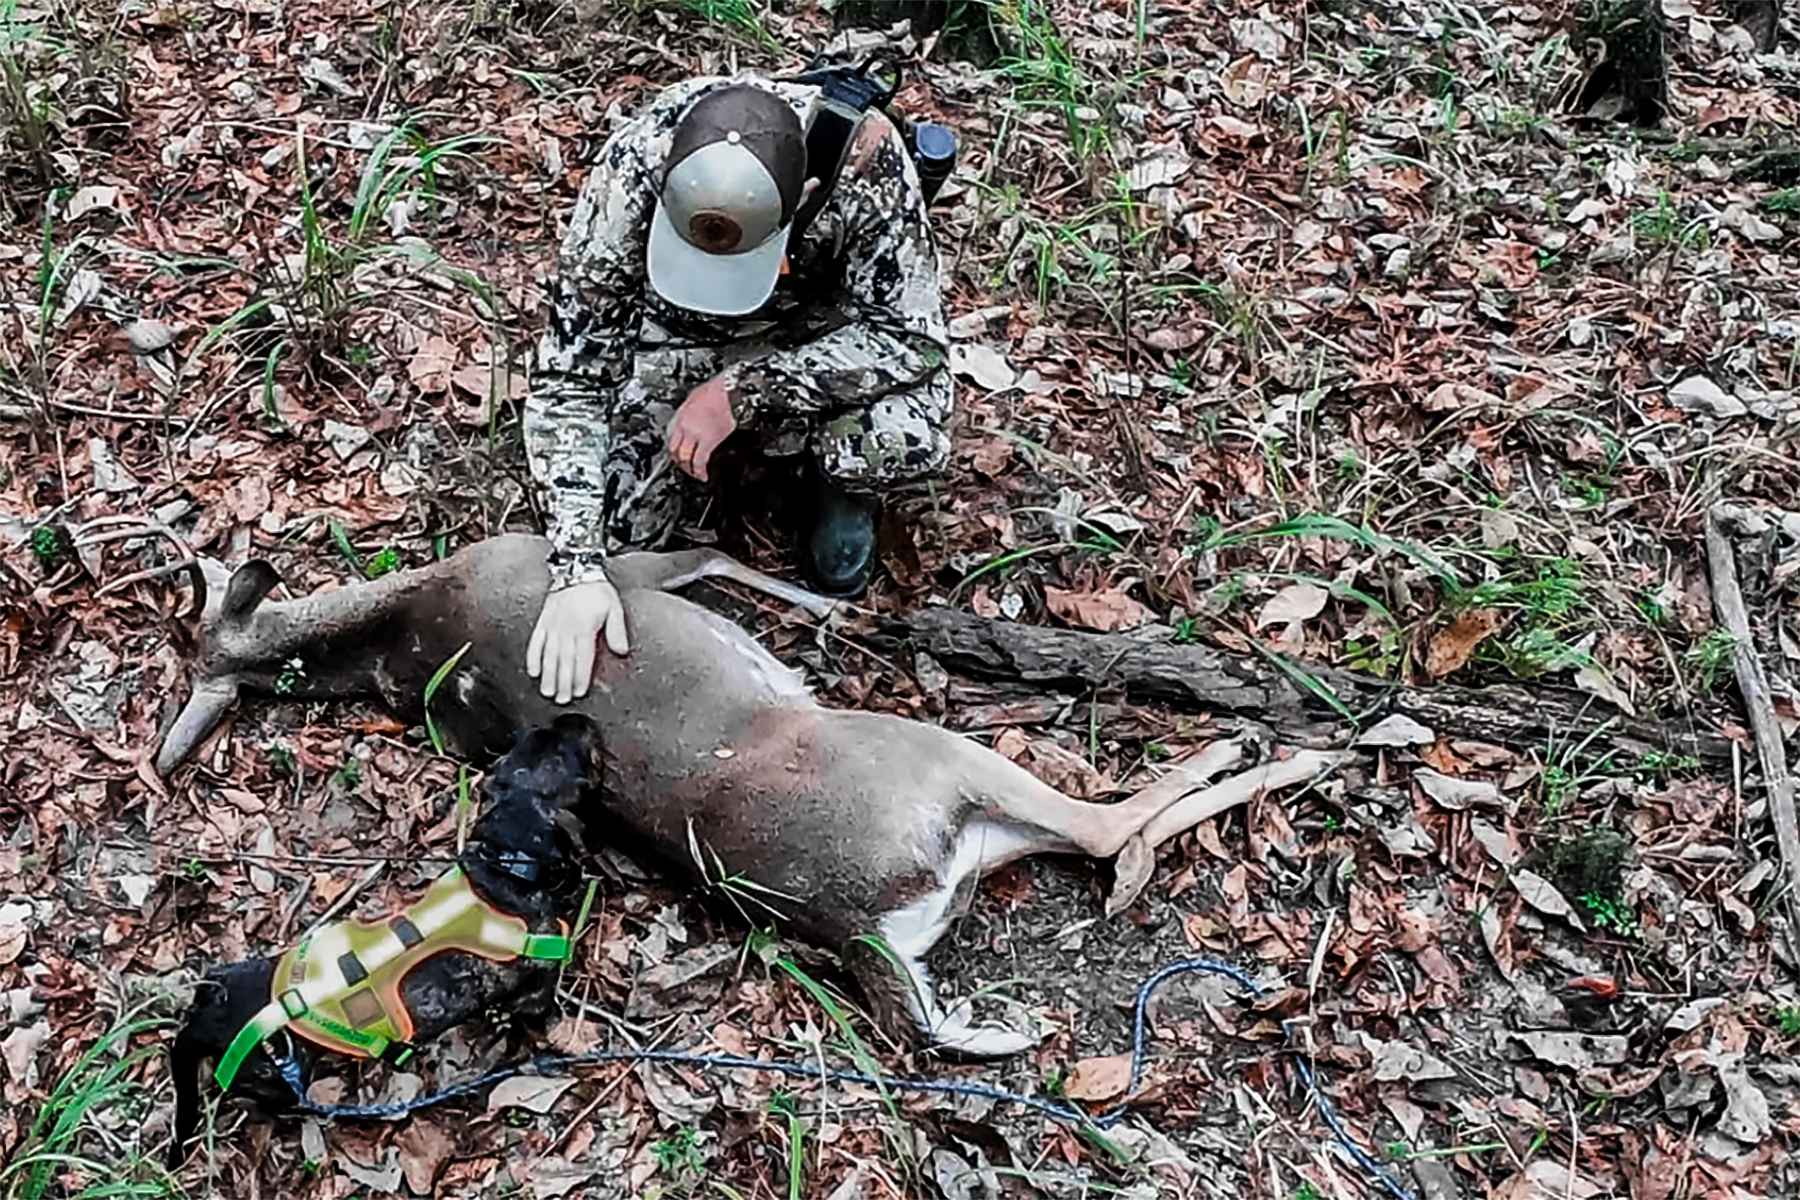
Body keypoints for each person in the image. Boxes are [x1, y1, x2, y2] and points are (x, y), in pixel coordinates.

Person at [522, 74, 953, 704]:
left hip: (814, 332)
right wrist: (576, 568)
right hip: (678, 334)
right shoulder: (632, 169)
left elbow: (911, 339)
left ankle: (831, 491)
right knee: (619, 537)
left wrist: (742, 392)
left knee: (895, 439)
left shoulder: (866, 160)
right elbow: (570, 378)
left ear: (804, 200)